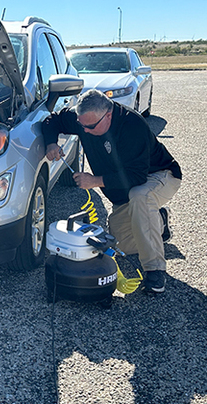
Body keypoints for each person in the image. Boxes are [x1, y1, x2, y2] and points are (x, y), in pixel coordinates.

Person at [42, 89, 181, 293]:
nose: (85, 131)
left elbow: (137, 177)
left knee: (140, 195)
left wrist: (94, 181)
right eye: (81, 125)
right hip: (127, 189)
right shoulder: (84, 117)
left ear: (108, 115)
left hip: (160, 175)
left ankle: (155, 271)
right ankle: (159, 222)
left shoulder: (132, 126)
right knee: (122, 244)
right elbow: (52, 120)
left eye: (90, 126)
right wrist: (51, 142)